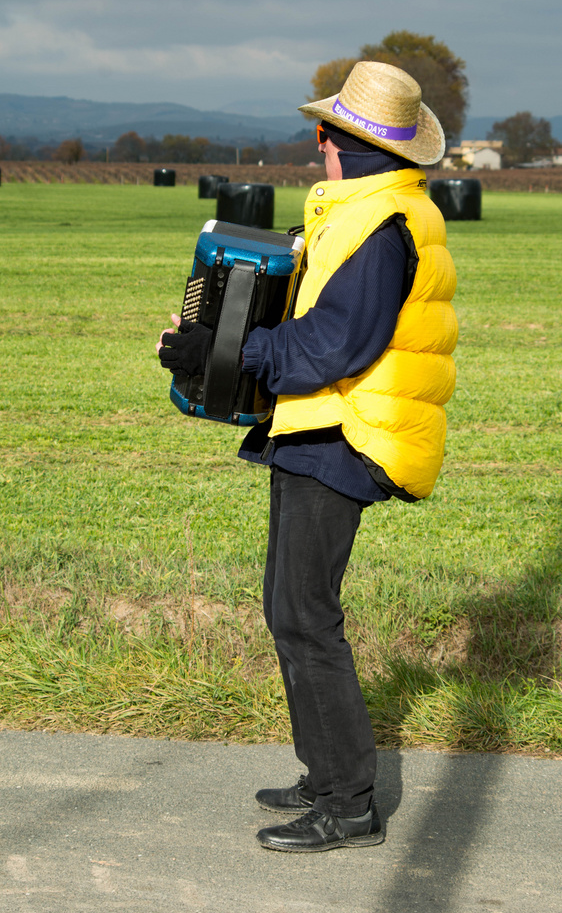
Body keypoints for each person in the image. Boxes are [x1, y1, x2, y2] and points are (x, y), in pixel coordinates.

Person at [158, 61, 458, 852]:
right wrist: (212, 347)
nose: (315, 142)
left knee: (304, 617)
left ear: (345, 142)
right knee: (289, 611)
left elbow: (334, 343)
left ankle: (348, 804)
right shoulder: (369, 212)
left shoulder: (380, 226)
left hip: (345, 432)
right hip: (324, 426)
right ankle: (326, 775)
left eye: (321, 131)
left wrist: (236, 349)